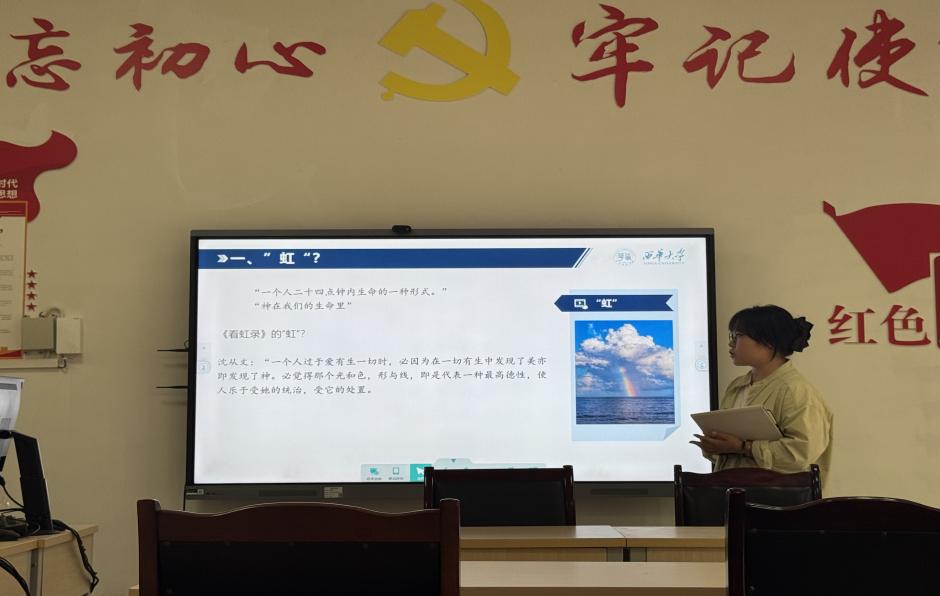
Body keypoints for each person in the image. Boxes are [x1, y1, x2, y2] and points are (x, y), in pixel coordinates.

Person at [691, 305, 833, 483]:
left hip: (777, 497)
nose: (731, 343)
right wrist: (715, 446)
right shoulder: (737, 386)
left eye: (737, 336)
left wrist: (744, 447)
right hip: (735, 492)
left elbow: (803, 453)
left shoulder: (796, 390)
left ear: (768, 342)